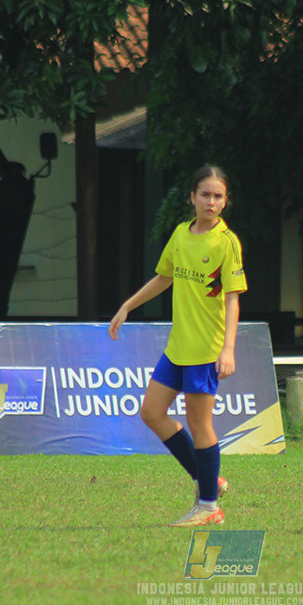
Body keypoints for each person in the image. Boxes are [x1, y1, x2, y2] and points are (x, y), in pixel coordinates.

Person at [108, 165, 247, 527]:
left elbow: (233, 299)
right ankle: (209, 480)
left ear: (225, 201)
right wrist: (127, 305)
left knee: (199, 424)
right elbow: (164, 277)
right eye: (205, 195)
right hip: (177, 347)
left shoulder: (226, 243)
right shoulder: (182, 235)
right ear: (192, 198)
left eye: (218, 196)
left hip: (205, 348)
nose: (211, 202)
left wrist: (228, 349)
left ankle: (209, 505)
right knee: (151, 413)